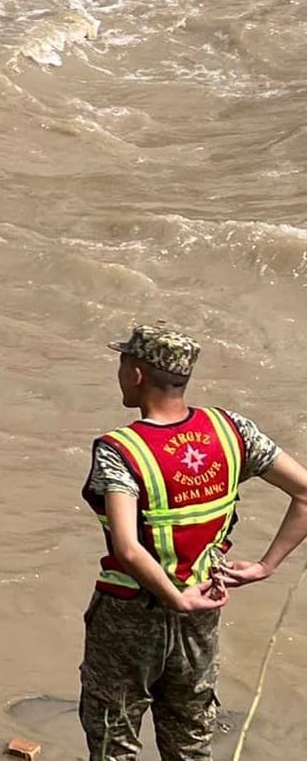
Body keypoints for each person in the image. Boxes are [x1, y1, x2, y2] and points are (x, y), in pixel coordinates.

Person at [80, 325, 307, 761]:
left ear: (138, 374)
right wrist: (265, 565)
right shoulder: (231, 430)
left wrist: (173, 599)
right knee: (189, 739)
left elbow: (128, 548)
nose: (120, 371)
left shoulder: (120, 450)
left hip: (130, 615)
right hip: (204, 608)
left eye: (124, 362)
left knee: (114, 739)